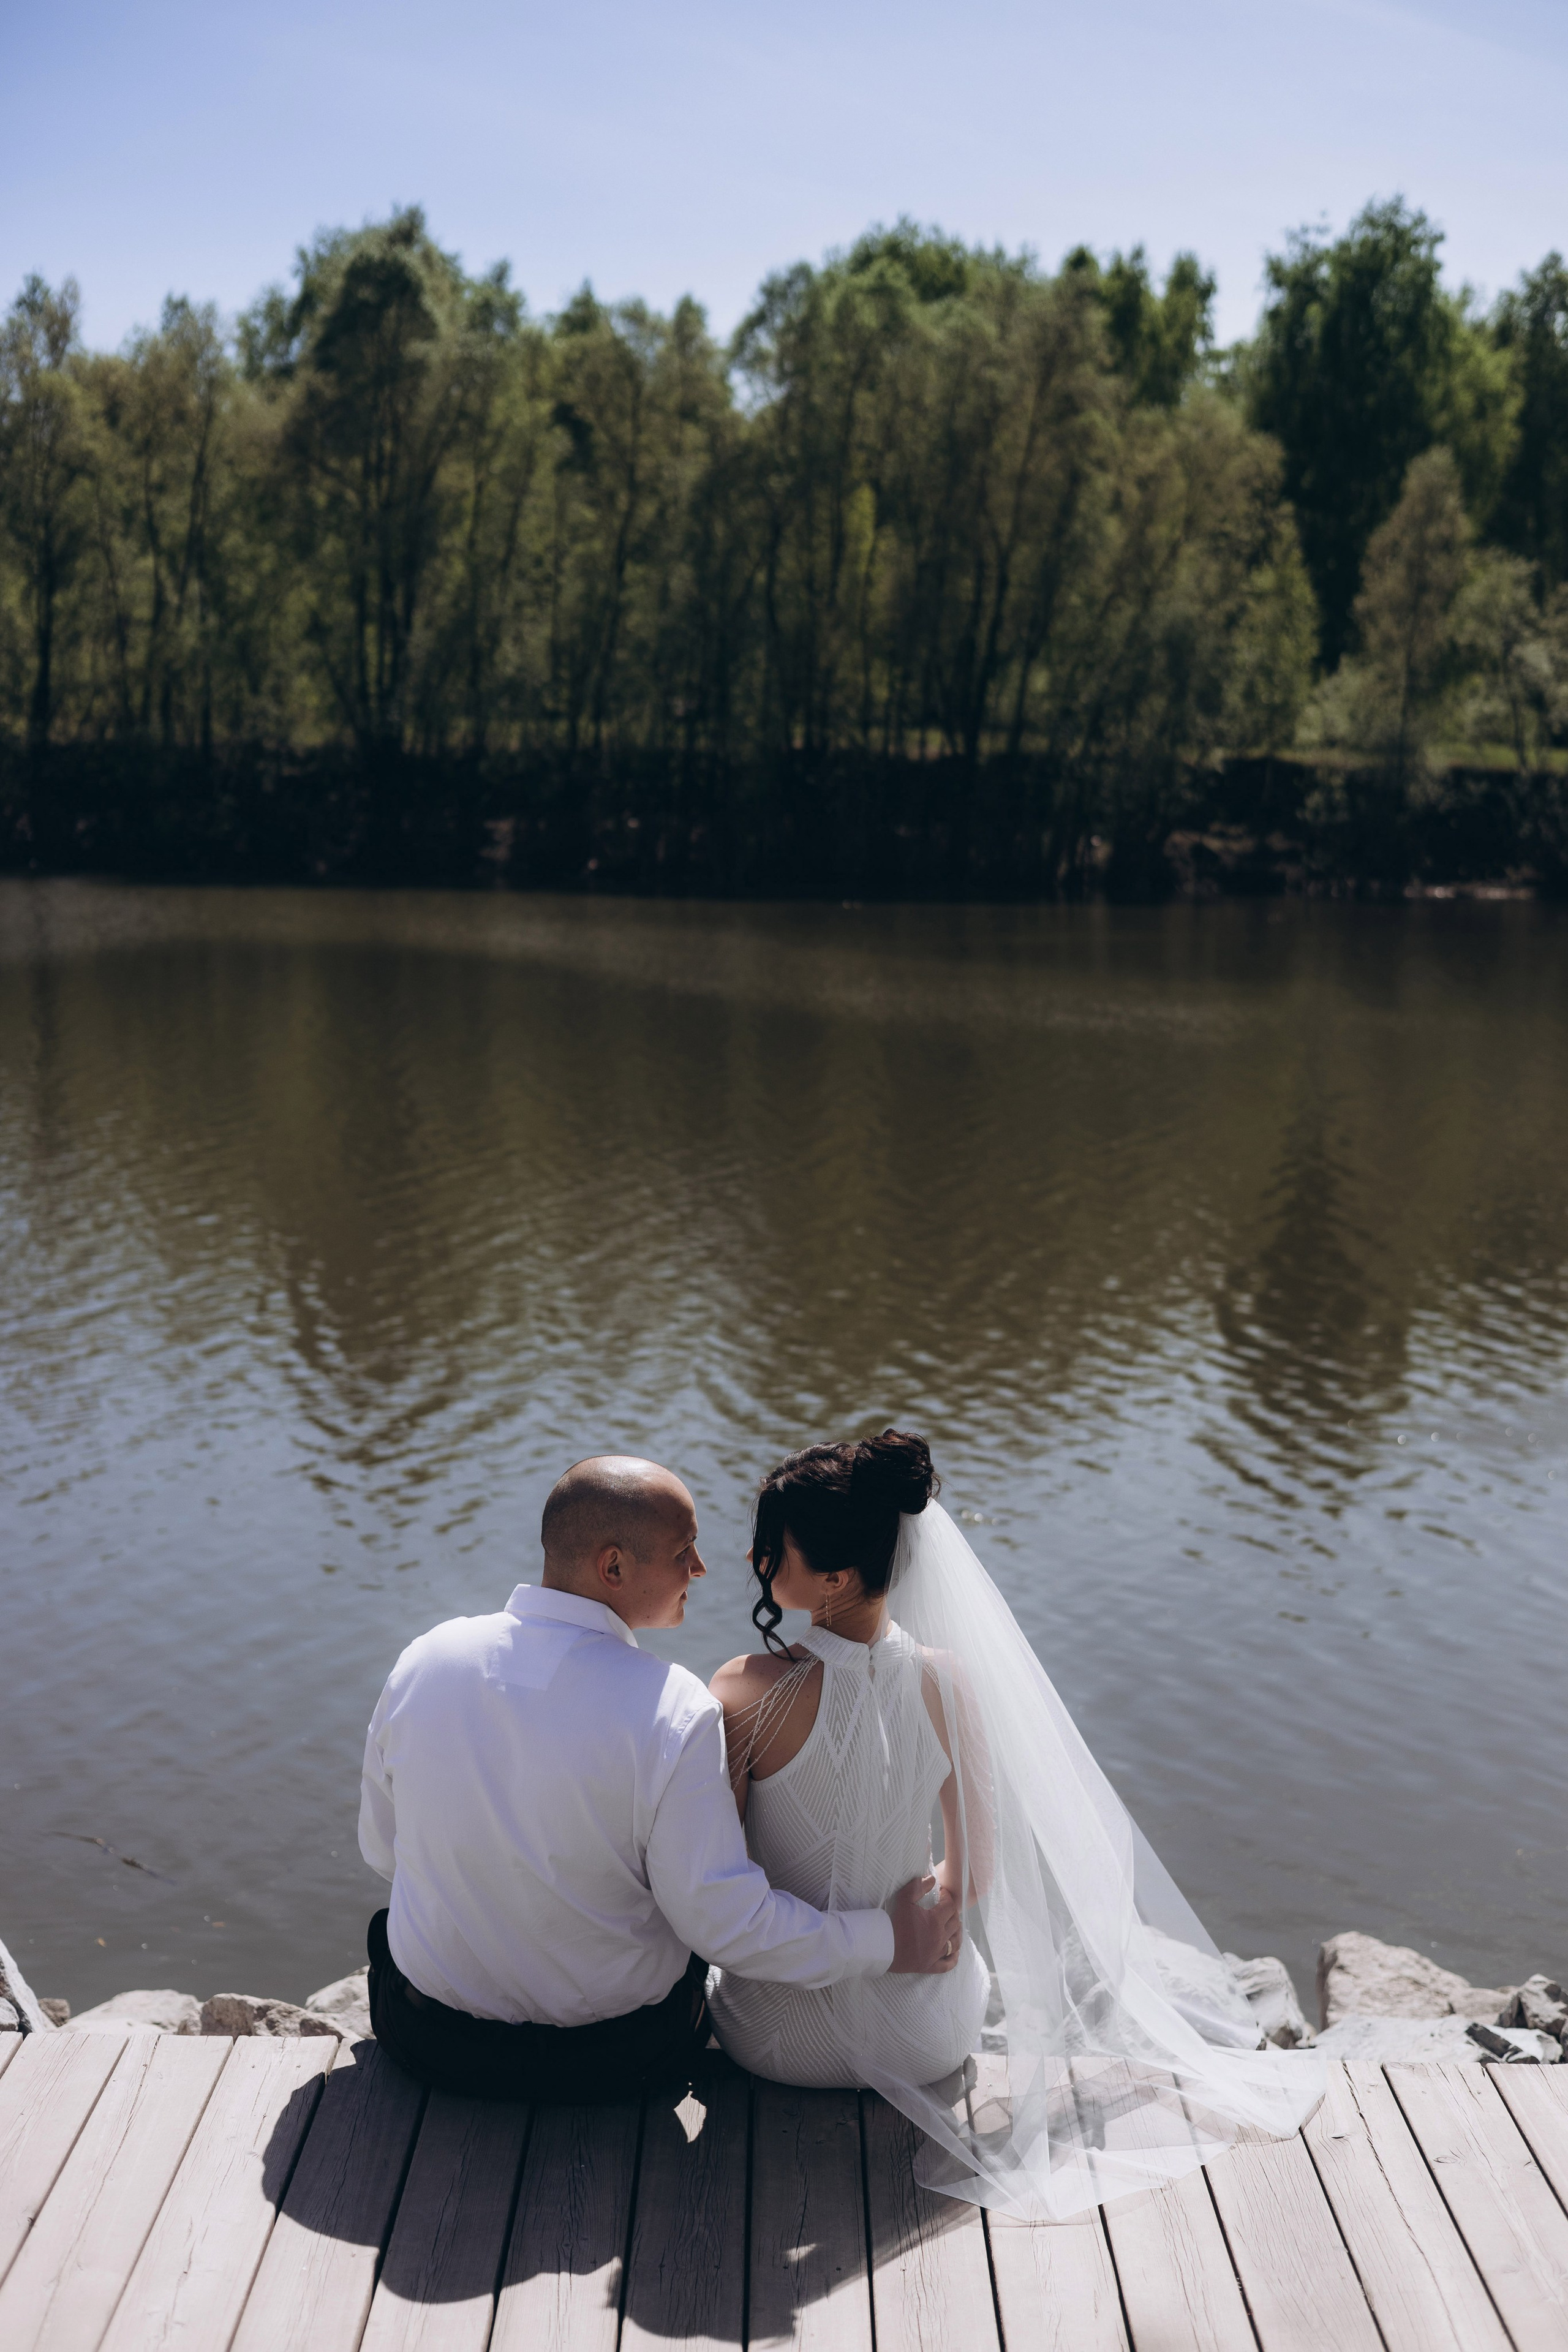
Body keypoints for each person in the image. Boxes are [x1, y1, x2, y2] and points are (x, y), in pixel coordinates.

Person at [707, 1430, 1325, 2220]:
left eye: (772, 1548)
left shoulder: (741, 1688)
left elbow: (719, 1881)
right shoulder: (946, 1680)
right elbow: (974, 1880)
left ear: (832, 1575)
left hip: (773, 2045)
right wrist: (909, 1916)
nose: (757, 1560)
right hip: (925, 2041)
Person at [358, 1453, 962, 2104]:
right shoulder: (672, 1708)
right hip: (617, 2059)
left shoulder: (424, 1660)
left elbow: (384, 1849)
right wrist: (886, 1938)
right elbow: (724, 1926)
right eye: (684, 1551)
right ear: (613, 1567)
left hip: (429, 2042)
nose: (700, 1570)